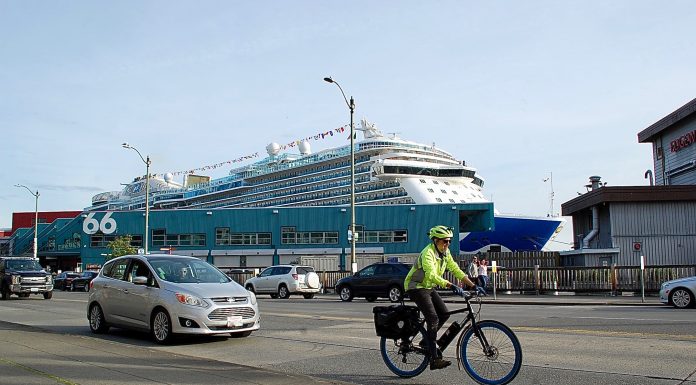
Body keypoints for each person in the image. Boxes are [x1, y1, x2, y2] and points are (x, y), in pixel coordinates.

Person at [404, 225, 479, 370]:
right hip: (416, 287)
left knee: (444, 314)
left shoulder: (445, 252)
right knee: (433, 319)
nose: (447, 244)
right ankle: (434, 358)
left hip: (428, 286)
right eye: (445, 241)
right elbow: (432, 275)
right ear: (436, 240)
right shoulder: (428, 253)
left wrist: (473, 285)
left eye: (449, 241)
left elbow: (455, 269)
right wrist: (452, 286)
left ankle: (426, 341)